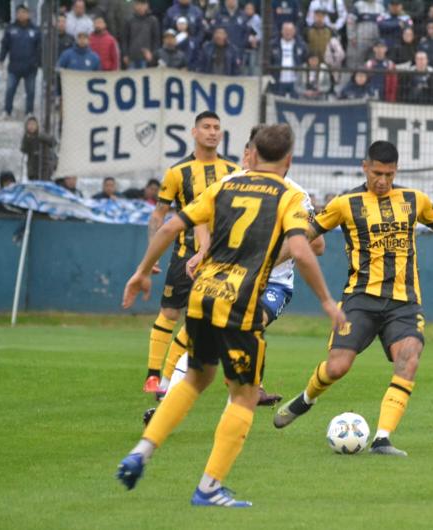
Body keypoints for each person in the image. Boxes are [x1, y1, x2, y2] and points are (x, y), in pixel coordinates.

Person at [116, 124, 346, 508]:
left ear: (252, 153)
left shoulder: (225, 184)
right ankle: (209, 487)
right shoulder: (290, 194)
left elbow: (171, 226)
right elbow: (303, 249)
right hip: (242, 301)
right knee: (244, 395)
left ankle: (142, 450)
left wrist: (141, 272)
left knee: (197, 377)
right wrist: (326, 301)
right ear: (288, 160)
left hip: (203, 294)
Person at [272, 141, 433, 456]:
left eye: (389, 174)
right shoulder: (345, 203)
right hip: (360, 299)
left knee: (408, 358)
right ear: (365, 167)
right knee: (337, 367)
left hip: (403, 302)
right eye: (377, 173)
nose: (383, 180)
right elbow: (304, 237)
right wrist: (264, 268)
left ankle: (382, 439)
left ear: (396, 171)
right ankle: (306, 399)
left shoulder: (414, 200)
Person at [148, 125, 327, 417]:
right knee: (205, 334)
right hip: (229, 279)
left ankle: (244, 392)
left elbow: (316, 244)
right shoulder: (230, 184)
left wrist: (264, 261)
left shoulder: (295, 195)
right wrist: (203, 250)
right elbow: (199, 217)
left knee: (247, 326)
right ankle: (170, 400)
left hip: (272, 284)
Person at [141, 112, 240, 396]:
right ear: (194, 132)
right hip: (185, 253)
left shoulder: (233, 171)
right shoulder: (177, 172)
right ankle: (152, 375)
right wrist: (153, 253)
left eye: (216, 127)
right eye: (206, 127)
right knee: (171, 311)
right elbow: (158, 215)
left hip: (219, 257)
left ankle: (169, 378)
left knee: (203, 317)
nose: (212, 132)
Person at [0, 5, 40, 120]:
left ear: (28, 14)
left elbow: (39, 48)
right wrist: (1, 59)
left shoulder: (35, 30)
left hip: (30, 68)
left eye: (24, 12)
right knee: (10, 89)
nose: (21, 15)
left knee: (30, 91)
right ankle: (7, 111)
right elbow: (4, 45)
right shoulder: (10, 29)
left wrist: (38, 63)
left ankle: (29, 112)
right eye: (19, 13)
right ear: (16, 14)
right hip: (14, 67)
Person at [121, 0, 161, 69]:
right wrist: (125, 54)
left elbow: (156, 40)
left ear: (147, 6)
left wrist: (152, 54)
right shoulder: (129, 20)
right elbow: (124, 39)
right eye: (138, 4)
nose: (140, 7)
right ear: (135, 5)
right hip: (132, 57)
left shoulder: (153, 20)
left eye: (143, 4)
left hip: (147, 58)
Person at [20, 116, 56, 181]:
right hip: (32, 170)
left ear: (37, 126)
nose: (31, 126)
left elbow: (53, 142)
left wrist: (42, 137)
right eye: (29, 124)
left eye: (33, 124)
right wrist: (27, 138)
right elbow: (23, 149)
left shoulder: (41, 136)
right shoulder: (27, 137)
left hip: (44, 168)